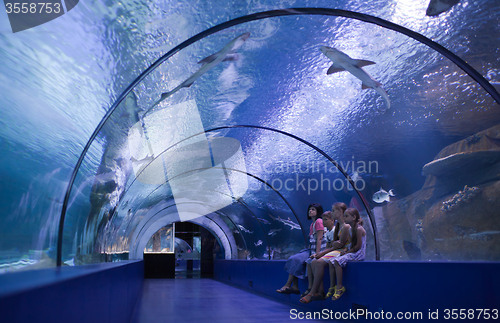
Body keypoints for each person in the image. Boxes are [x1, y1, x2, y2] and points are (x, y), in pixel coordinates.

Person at [299, 203, 349, 303]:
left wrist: (322, 253)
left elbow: (339, 245)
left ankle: (312, 292)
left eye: (334, 210)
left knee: (319, 262)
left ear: (340, 212)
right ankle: (320, 291)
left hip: (343, 251)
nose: (332, 212)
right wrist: (321, 253)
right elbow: (332, 245)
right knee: (313, 261)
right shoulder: (338, 226)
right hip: (335, 250)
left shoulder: (345, 226)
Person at [276, 203, 325, 295]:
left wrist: (317, 254)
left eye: (313, 209)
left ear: (318, 211)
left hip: (318, 250)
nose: (310, 211)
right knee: (293, 258)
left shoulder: (319, 221)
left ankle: (288, 285)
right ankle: (294, 286)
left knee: (298, 259)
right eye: (309, 209)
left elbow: (320, 238)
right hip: (311, 249)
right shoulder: (312, 224)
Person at [330, 208, 366, 300]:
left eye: (346, 216)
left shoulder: (359, 229)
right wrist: (345, 251)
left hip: (358, 254)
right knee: (331, 261)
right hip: (352, 251)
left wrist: (347, 253)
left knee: (337, 261)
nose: (344, 218)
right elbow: (351, 244)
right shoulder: (351, 229)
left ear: (354, 217)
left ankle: (340, 287)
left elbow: (358, 246)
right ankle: (332, 286)